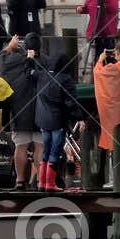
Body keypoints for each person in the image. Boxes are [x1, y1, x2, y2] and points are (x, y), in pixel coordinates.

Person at [0, 35, 43, 188]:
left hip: (19, 111)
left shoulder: (13, 61)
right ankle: (40, 180)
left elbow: (0, 59)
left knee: (21, 146)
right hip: (40, 111)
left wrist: (10, 46)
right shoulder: (45, 61)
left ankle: (20, 180)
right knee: (40, 147)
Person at [34, 52, 81, 192]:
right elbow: (71, 102)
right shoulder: (66, 79)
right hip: (57, 121)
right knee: (55, 152)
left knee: (45, 152)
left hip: (43, 121)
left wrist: (30, 60)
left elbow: (29, 73)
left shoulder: (42, 76)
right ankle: (50, 183)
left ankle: (41, 183)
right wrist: (80, 117)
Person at [79, 0, 120, 64]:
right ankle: (96, 75)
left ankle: (109, 75)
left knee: (109, 59)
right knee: (96, 59)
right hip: (94, 32)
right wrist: (80, 9)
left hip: (108, 32)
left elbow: (113, 9)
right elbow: (87, 8)